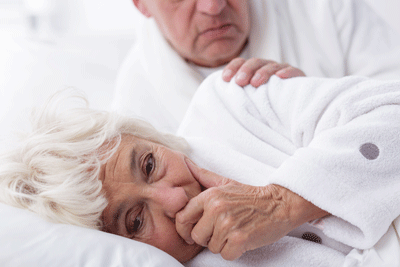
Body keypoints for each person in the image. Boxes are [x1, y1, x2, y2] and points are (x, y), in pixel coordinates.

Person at [2, 71, 400, 265]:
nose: (174, 197)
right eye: (136, 221)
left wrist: (284, 203)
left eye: (150, 163)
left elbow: (392, 108)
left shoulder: (228, 101)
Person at [112, 0, 400, 132]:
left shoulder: (327, 9)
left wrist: (318, 99)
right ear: (141, 5)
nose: (213, 6)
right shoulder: (134, 103)